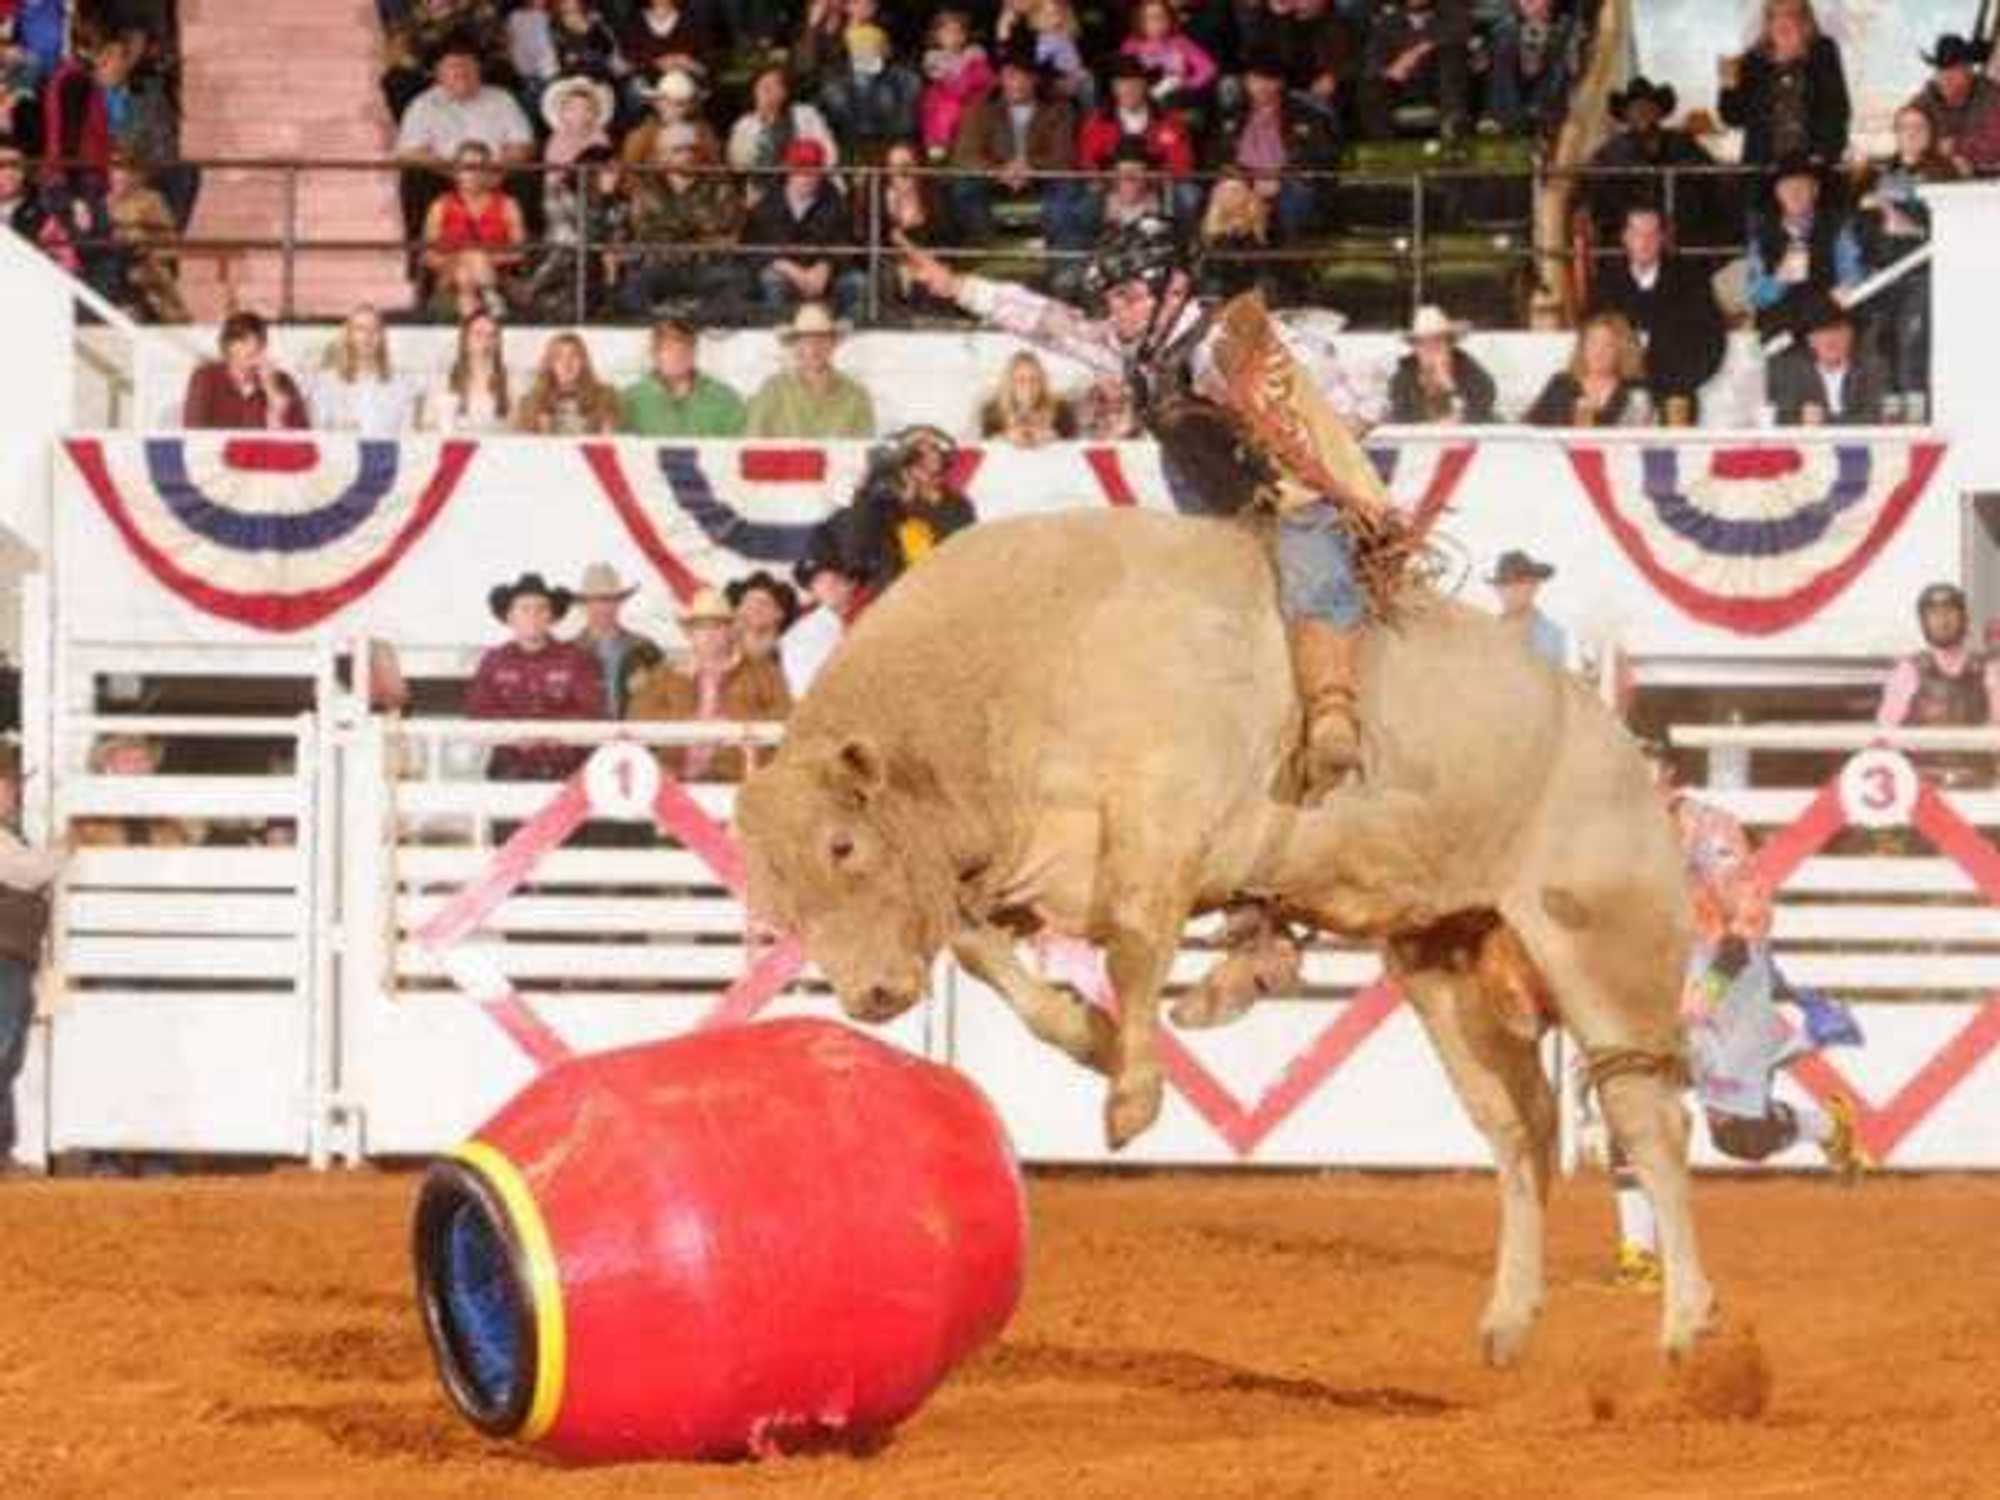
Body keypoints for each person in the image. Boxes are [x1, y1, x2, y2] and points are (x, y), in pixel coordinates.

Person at [900, 213, 1401, 787]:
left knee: (1315, 562)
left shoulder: (1233, 344)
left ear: (1177, 287)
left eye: (1129, 295)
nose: (1116, 310)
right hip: (1220, 504)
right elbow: (1052, 325)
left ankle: (1332, 711)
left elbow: (1353, 399)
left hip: (1291, 490)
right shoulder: (1138, 349)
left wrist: (1321, 440)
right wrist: (959, 287)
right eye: (1112, 298)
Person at [1601, 742, 1867, 1287]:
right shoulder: (1609, 831)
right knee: (1631, 1099)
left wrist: (1710, 986)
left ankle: (1823, 1123)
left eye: (1644, 766)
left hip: (1727, 980)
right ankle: (1638, 1253)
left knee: (1740, 1139)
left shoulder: (1709, 828)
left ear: (1668, 774)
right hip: (1655, 979)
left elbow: (1748, 918)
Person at [1856, 105, 1958, 417]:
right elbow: (1861, 225)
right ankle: (1890, 414)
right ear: (1896, 134)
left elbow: (1955, 225)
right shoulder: (1881, 174)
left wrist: (1912, 226)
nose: (1911, 134)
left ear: (1930, 133)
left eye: (1919, 128)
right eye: (1905, 127)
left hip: (1922, 273)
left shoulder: (1944, 174)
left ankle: (1919, 413)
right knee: (1883, 345)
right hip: (1884, 274)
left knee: (1914, 344)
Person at [626, 587, 790, 782]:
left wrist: (733, 724)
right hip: (676, 780)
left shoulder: (763, 672)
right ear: (690, 634)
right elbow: (637, 716)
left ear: (730, 631)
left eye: (717, 627)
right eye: (701, 628)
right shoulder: (667, 674)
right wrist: (687, 722)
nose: (709, 635)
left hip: (737, 778)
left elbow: (785, 716)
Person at [947, 34, 1087, 255]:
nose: (1018, 83)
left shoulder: (1059, 108)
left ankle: (1060, 257)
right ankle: (985, 250)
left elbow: (1064, 155)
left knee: (1069, 189)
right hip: (996, 176)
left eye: (1025, 77)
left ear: (1035, 79)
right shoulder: (981, 107)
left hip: (1042, 176)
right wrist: (997, 170)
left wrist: (1030, 167)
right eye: (1011, 76)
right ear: (1001, 78)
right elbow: (966, 153)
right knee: (963, 187)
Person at [1588, 205, 1727, 425]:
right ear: (1625, 237)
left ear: (1663, 237)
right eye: (1637, 233)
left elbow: (1713, 340)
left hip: (1675, 394)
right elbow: (1591, 340)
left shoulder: (1691, 281)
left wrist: (1684, 383)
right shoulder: (1605, 283)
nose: (1644, 242)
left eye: (1652, 234)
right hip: (1615, 396)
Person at [464, 570, 604, 780]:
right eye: (525, 609)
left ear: (552, 617)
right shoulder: (493, 661)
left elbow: (591, 711)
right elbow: (478, 712)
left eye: (541, 609)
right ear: (510, 617)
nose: (533, 616)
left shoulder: (576, 660)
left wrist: (550, 733)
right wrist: (516, 733)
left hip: (565, 775)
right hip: (509, 772)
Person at [393, 38, 534, 246]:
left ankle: (524, 257)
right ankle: (423, 256)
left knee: (527, 177)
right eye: (452, 66)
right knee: (415, 177)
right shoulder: (423, 104)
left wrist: (495, 172)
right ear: (438, 73)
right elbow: (408, 151)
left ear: (479, 70)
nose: (461, 72)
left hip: (495, 172)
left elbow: (523, 145)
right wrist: (456, 172)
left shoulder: (501, 99)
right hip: (445, 173)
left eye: (468, 65)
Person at [0, 738, 64, 1175]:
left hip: (15, 953)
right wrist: (67, 847)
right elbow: (28, 872)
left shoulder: (13, 834)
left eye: (9, 786)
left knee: (9, 1053)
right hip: (5, 954)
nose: (10, 793)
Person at [614, 122, 748, 320]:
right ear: (661, 155)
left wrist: (673, 226)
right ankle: (664, 317)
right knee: (631, 291)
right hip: (661, 264)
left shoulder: (719, 186)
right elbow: (645, 231)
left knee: (737, 284)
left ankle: (692, 316)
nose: (687, 155)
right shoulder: (646, 189)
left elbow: (724, 228)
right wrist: (693, 227)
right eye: (678, 150)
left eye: (691, 149)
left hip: (705, 264)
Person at [1875, 581, 2000, 788]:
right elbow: (1885, 735)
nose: (1943, 620)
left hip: (1977, 781)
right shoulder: (1907, 670)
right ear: (1924, 621)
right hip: (1924, 788)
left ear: (1964, 618)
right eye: (1934, 614)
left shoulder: (1989, 669)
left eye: (1950, 612)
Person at [1213, 49, 1338, 242]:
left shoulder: (1306, 116)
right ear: (1246, 82)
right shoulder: (1233, 117)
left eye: (1269, 80)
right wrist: (1241, 181)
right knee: (1225, 194)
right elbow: (1220, 156)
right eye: (1255, 80)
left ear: (1280, 83)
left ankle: (1287, 260)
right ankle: (1224, 260)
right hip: (1244, 182)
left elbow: (1321, 155)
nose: (1262, 87)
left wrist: (1282, 178)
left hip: (1291, 183)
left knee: (1291, 198)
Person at [742, 136, 865, 322]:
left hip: (824, 274)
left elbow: (845, 243)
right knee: (772, 280)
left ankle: (847, 334)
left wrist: (826, 266)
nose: (807, 176)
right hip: (785, 272)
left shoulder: (836, 202)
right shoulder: (767, 204)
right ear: (789, 170)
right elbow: (752, 247)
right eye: (800, 168)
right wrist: (787, 268)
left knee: (858, 283)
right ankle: (778, 330)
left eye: (814, 169)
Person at [1717, 0, 1850, 169]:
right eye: (1774, 16)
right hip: (1764, 169)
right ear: (1767, 22)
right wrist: (1728, 84)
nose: (1782, 22)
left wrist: (1825, 155)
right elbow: (1733, 118)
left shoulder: (1822, 51)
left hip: (1811, 167)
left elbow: (1837, 110)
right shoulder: (1754, 59)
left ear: (1805, 21)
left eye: (1790, 15)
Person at [1745, 154, 1864, 341]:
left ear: (1815, 190)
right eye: (1787, 186)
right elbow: (1756, 296)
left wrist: (1840, 291)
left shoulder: (1836, 227)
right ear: (1777, 192)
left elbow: (1853, 276)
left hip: (1826, 329)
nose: (1794, 193)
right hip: (1781, 332)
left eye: (1802, 185)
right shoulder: (1762, 235)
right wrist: (1779, 278)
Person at [844, 425, 978, 589]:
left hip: (943, 588)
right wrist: (865, 490)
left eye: (934, 449)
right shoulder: (884, 506)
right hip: (896, 596)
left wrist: (915, 504)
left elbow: (963, 552)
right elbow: (855, 550)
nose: (929, 458)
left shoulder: (958, 505)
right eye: (917, 453)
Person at [419, 140, 527, 322]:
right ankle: (491, 302)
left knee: (467, 277)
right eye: (467, 167)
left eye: (479, 167)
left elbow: (521, 251)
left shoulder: (508, 204)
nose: (473, 174)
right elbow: (428, 255)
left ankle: (475, 314)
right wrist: (461, 258)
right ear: (456, 172)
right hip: (450, 278)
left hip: (499, 277)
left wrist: (483, 260)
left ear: (487, 171)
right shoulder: (440, 205)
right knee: (465, 267)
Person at [745, 301, 877, 438]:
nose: (812, 349)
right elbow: (753, 444)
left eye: (821, 340)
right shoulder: (772, 390)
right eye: (804, 341)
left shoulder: (856, 395)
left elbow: (862, 451)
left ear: (833, 343)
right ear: (793, 345)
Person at [1765, 292, 1886, 426]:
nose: (1831, 339)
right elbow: (1779, 417)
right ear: (1810, 339)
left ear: (1850, 335)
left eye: (1838, 330)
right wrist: (1800, 419)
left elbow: (1875, 418)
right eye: (1822, 332)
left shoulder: (1871, 368)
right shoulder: (1791, 371)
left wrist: (1825, 420)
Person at [1358, 0, 1470, 142]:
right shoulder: (1388, 23)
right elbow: (1372, 59)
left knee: (1450, 57)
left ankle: (1452, 128)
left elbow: (1461, 34)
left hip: (1436, 83)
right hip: (1401, 86)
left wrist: (1417, 52)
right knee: (1370, 85)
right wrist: (1388, 71)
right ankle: (1384, 144)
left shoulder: (1449, 15)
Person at [182, 311, 309, 430]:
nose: (251, 346)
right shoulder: (206, 377)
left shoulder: (282, 381)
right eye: (242, 340)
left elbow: (302, 434)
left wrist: (272, 390)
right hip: (216, 451)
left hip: (268, 451)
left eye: (258, 340)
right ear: (227, 345)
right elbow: (193, 428)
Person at [619, 316, 746, 436]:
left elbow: (740, 447)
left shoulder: (725, 399)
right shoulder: (630, 400)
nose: (677, 355)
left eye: (684, 348)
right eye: (668, 348)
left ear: (694, 351)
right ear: (654, 353)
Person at [1524, 311, 1652, 427]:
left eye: (1608, 345)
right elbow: (1529, 428)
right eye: (1592, 343)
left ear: (1621, 351)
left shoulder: (1634, 393)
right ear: (1582, 347)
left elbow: (1641, 439)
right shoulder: (1561, 383)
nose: (1598, 352)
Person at [816, 21, 921, 163]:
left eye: (871, 48)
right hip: (849, 149)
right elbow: (835, 121)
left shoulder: (904, 80)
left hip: (888, 148)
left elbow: (904, 124)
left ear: (884, 51)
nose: (865, 54)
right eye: (859, 48)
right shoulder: (835, 84)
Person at [103, 147, 187, 323]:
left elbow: (170, 244)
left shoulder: (151, 200)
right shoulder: (103, 201)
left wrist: (143, 245)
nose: (117, 175)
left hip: (141, 263)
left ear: (135, 174)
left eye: (123, 169)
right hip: (108, 264)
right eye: (113, 168)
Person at [571, 562, 663, 717]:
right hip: (585, 737)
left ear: (620, 602)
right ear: (585, 604)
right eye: (598, 600)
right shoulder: (569, 652)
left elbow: (665, 694)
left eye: (610, 600)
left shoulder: (645, 649)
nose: (604, 608)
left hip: (637, 735)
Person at [309, 305, 417, 437]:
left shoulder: (401, 383)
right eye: (360, 329)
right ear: (349, 335)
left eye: (375, 329)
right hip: (341, 454)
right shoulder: (326, 382)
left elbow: (407, 436)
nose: (368, 336)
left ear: (383, 337)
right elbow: (319, 432)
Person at [725, 59, 840, 182]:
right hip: (765, 189)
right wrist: (763, 122)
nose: (768, 92)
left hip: (810, 183)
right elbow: (738, 165)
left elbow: (830, 155)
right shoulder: (744, 125)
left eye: (774, 86)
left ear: (785, 92)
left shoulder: (806, 115)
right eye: (763, 87)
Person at [781, 528, 861, 697]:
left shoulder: (876, 608)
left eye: (834, 577)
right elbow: (803, 691)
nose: (828, 586)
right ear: (812, 592)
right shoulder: (799, 637)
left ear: (851, 582)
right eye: (818, 581)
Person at [1907, 33, 2000, 177]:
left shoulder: (1991, 95)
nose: (1945, 77)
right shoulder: (1925, 100)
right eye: (1941, 69)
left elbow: (1995, 142)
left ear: (1968, 70)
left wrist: (1957, 146)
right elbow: (1908, 139)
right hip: (1939, 183)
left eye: (1953, 69)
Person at [1387, 304, 1496, 425]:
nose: (1431, 349)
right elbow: (1402, 417)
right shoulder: (1403, 378)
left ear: (1449, 344)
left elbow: (1480, 409)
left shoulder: (1474, 374)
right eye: (1423, 343)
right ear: (1415, 348)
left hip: (1466, 438)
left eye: (1438, 341)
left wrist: (1450, 387)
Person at [1484, 0, 1576, 139]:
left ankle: (1539, 111)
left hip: (1553, 22)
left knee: (1560, 51)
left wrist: (1543, 8)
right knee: (1503, 42)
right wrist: (1525, 8)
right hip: (1518, 21)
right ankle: (1507, 115)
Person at [419, 308, 512, 432]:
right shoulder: (445, 379)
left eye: (492, 335)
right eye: (478, 334)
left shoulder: (509, 380)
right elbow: (427, 423)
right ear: (465, 339)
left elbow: (516, 426)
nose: (485, 341)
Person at [918, 8, 993, 162]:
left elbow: (985, 79)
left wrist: (969, 72)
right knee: (938, 107)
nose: (954, 37)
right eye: (947, 32)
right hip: (946, 97)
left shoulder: (974, 55)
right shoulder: (934, 57)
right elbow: (939, 79)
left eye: (958, 32)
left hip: (970, 98)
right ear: (937, 36)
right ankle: (938, 142)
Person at [513, 330, 620, 433]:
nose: (566, 363)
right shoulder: (530, 401)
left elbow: (611, 439)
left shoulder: (604, 396)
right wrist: (542, 432)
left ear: (583, 361)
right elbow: (520, 444)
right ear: (550, 363)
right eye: (558, 357)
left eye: (574, 356)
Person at [1486, 549, 1566, 669]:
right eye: (1506, 584)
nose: (1512, 591)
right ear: (1498, 590)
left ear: (1534, 586)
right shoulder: (1487, 631)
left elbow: (1546, 679)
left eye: (1520, 583)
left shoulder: (1551, 634)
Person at [979, 349, 1075, 446]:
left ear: (1042, 382)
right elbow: (985, 446)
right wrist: (1006, 438)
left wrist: (1053, 437)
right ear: (1010, 383)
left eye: (1034, 380)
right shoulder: (992, 411)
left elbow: (1074, 444)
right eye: (1021, 380)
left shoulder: (1061, 408)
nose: (1028, 386)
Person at [726, 570, 800, 663]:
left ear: (780, 614)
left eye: (763, 603)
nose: (754, 607)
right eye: (748, 601)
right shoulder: (721, 652)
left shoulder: (793, 656)